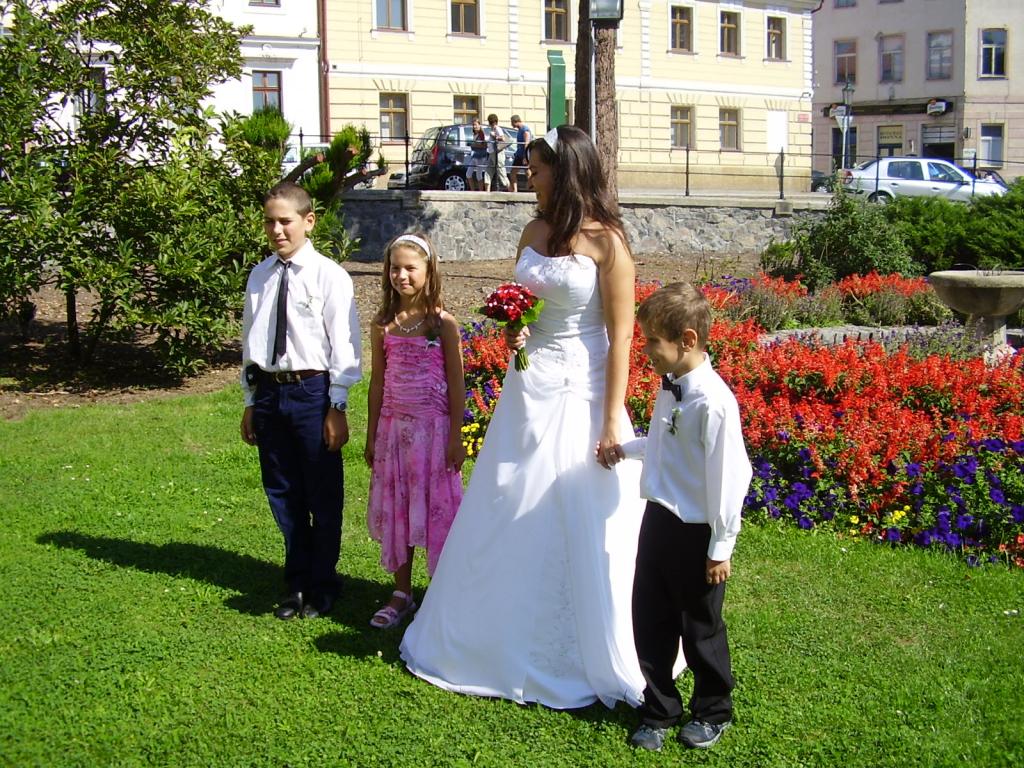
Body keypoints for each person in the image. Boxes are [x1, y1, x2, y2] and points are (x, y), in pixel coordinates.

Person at [400, 125, 648, 709]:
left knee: (572, 506)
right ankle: (488, 631)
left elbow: (621, 336)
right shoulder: (533, 231)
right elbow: (526, 305)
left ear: (566, 172)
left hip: (581, 386)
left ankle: (573, 644)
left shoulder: (608, 242)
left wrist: (610, 420)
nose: (528, 178)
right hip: (528, 384)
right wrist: (516, 329)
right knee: (507, 495)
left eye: (536, 171)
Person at [614, 283, 752, 752]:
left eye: (653, 340)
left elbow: (730, 478)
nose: (646, 350)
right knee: (650, 617)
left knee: (700, 627)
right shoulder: (670, 387)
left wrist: (721, 547)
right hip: (658, 520)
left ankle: (713, 710)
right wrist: (625, 450)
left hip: (697, 532)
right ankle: (659, 709)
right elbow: (664, 446)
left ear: (687, 340)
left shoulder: (713, 402)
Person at [240, 181, 361, 620]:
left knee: (322, 494)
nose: (276, 230)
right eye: (269, 222)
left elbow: (344, 344)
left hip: (312, 392)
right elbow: (251, 339)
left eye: (285, 221)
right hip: (271, 392)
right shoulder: (260, 276)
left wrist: (337, 404)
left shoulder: (329, 276)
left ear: (308, 222)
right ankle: (296, 582)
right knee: (282, 491)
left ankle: (323, 583)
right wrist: (250, 399)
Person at [364, 232, 466, 629]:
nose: (401, 276)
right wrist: (372, 435)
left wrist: (456, 436)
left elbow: (457, 384)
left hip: (433, 435)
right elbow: (377, 382)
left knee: (438, 512)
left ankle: (442, 592)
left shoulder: (442, 325)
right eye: (395, 268)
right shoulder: (383, 325)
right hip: (394, 434)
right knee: (399, 511)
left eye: (410, 268)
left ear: (429, 271)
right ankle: (402, 592)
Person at [484, 113, 511, 192]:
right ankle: (487, 192)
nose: (491, 124)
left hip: (497, 153)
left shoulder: (497, 128)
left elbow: (503, 138)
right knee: (488, 172)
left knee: (501, 173)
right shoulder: (493, 129)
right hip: (492, 153)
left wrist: (494, 136)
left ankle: (510, 190)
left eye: (491, 122)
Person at [510, 114, 533, 191]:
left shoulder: (525, 130)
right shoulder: (519, 130)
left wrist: (525, 156)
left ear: (515, 121)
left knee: (528, 173)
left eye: (512, 122)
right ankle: (515, 191)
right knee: (513, 173)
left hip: (524, 155)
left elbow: (527, 143)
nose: (511, 124)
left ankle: (531, 189)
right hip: (519, 155)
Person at [466, 118, 488, 192]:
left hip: (480, 156)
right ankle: (473, 191)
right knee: (468, 174)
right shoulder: (475, 134)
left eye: (476, 125)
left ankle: (481, 191)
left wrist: (474, 145)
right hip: (474, 155)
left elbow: (484, 145)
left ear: (479, 125)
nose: (474, 126)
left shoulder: (481, 134)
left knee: (479, 175)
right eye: (473, 125)